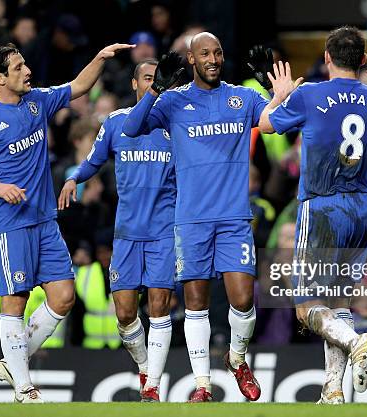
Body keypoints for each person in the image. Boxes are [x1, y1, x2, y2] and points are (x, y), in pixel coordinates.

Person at [0, 41, 133, 403]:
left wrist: (100, 57)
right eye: (19, 67)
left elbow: (78, 87)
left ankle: (13, 360)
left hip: (44, 220)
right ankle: (25, 387)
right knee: (15, 299)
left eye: (25, 64)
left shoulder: (37, 101)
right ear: (0, 78)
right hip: (10, 223)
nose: (27, 71)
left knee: (63, 296)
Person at [258, 26, 367, 403]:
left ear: (327, 58)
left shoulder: (309, 94)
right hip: (363, 209)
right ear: (364, 62)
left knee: (306, 308)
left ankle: (356, 339)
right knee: (340, 300)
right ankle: (333, 390)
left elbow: (265, 124)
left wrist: (279, 95)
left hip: (322, 206)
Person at [122, 33, 278, 402]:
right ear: (191, 59)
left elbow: (276, 123)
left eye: (218, 52)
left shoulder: (243, 97)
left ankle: (237, 360)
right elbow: (131, 128)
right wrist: (156, 89)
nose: (213, 58)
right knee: (196, 303)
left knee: (242, 299)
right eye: (205, 53)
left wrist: (268, 84)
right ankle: (203, 385)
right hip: (191, 220)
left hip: (234, 218)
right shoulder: (174, 101)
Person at [58, 59, 176, 402]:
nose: (156, 83)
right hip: (126, 234)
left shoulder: (175, 123)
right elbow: (94, 159)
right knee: (125, 313)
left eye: (160, 78)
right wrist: (73, 177)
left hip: (163, 232)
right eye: (150, 78)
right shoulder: (116, 123)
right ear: (136, 84)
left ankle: (152, 385)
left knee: (159, 307)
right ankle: (145, 367)